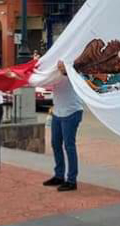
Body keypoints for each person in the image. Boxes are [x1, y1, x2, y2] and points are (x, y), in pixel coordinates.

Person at [34, 60, 83, 191]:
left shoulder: (75, 75)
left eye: (62, 64)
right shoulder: (54, 76)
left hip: (72, 113)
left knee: (69, 146)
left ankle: (72, 180)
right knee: (56, 144)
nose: (60, 67)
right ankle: (59, 175)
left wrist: (68, 70)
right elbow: (40, 80)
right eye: (58, 64)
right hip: (57, 112)